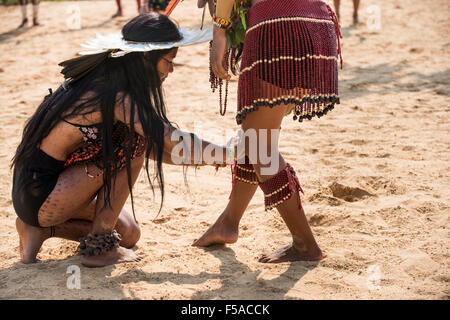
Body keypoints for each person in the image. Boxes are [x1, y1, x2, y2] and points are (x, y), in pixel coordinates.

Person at [12, 12, 230, 268]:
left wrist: (211, 158)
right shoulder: (113, 95)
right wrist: (229, 153)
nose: (171, 69)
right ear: (147, 56)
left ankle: (41, 231)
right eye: (169, 61)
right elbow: (167, 139)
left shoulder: (108, 80)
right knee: (132, 146)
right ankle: (98, 249)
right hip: (42, 194)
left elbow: (158, 147)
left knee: (129, 234)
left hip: (40, 194)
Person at [194, 0, 342, 263]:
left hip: (279, 26)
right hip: (316, 25)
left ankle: (305, 244)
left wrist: (219, 31)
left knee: (261, 146)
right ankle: (228, 222)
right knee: (255, 136)